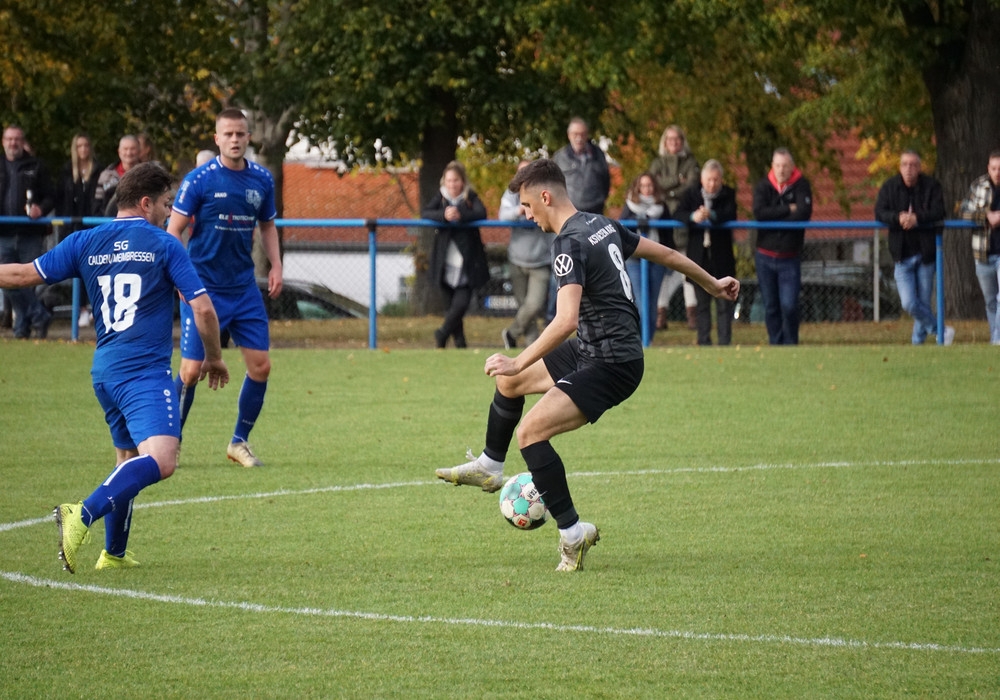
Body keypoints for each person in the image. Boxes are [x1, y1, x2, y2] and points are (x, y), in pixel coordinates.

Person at [434, 159, 739, 572]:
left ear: (545, 197)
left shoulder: (568, 243)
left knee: (530, 432)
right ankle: (490, 466)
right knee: (511, 385)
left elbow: (565, 320)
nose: (526, 215)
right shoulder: (601, 224)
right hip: (596, 348)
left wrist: (518, 359)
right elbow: (665, 253)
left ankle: (573, 536)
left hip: (612, 362)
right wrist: (712, 282)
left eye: (527, 205)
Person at [0, 162, 229, 573]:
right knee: (163, 459)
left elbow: (22, 274)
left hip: (105, 372)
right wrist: (213, 357)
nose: (169, 213)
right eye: (166, 204)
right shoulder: (164, 244)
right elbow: (204, 309)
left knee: (127, 461)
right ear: (145, 203)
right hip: (143, 373)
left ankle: (114, 554)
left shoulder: (85, 240)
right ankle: (82, 513)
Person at [167, 108, 283, 467]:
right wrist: (181, 277)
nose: (235, 139)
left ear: (249, 138)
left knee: (261, 366)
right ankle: (171, 441)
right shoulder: (198, 180)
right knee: (190, 371)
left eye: (240, 134)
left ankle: (238, 442)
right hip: (203, 289)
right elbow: (173, 231)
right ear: (217, 139)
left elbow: (267, 226)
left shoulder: (261, 179)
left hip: (243, 289)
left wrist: (277, 265)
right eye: (228, 134)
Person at [875, 150, 953, 345]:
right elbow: (880, 212)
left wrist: (917, 219)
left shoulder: (931, 186)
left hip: (925, 253)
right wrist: (898, 218)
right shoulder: (890, 187)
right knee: (909, 303)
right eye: (905, 164)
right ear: (899, 167)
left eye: (913, 165)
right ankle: (940, 331)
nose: (909, 169)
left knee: (923, 302)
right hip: (901, 255)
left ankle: (918, 343)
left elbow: (939, 211)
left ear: (919, 167)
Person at [423, 160, 489, 348]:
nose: (452, 185)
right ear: (444, 181)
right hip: (444, 262)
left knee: (460, 304)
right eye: (449, 181)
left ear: (463, 181)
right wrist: (444, 215)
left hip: (467, 262)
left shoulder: (469, 196)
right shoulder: (441, 197)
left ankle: (442, 333)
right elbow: (426, 213)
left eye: (456, 180)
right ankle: (460, 343)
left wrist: (460, 214)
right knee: (451, 307)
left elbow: (481, 213)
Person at [751, 147, 813, 345]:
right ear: (772, 166)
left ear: (792, 167)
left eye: (785, 166)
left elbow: (803, 213)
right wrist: (787, 209)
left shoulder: (801, 185)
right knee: (771, 306)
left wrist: (775, 216)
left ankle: (790, 343)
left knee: (789, 305)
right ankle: (775, 344)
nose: (781, 170)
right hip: (765, 255)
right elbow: (760, 213)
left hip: (789, 256)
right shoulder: (763, 186)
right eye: (777, 165)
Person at [675, 160, 738, 345]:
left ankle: (724, 343)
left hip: (721, 258)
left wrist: (712, 215)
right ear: (702, 179)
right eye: (709, 179)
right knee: (702, 305)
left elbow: (730, 214)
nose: (712, 183)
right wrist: (693, 217)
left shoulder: (728, 194)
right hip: (698, 258)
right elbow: (677, 214)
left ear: (721, 180)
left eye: (716, 180)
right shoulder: (691, 193)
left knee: (724, 304)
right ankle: (704, 342)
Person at [1, 124, 54, 339]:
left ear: (22, 142)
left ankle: (21, 328)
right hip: (3, 234)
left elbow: (51, 196)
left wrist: (41, 209)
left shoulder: (36, 166)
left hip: (30, 234)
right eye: (9, 139)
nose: (13, 143)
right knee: (6, 281)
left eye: (17, 139)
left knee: (28, 280)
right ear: (3, 142)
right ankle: (39, 315)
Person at [649, 125, 701, 330]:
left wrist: (667, 189)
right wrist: (677, 183)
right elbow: (652, 185)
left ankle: (692, 315)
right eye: (670, 139)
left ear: (682, 141)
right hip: (662, 224)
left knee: (688, 271)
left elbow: (692, 185)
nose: (674, 143)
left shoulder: (691, 162)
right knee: (662, 271)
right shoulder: (657, 163)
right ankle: (660, 314)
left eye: (677, 139)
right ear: (665, 142)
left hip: (684, 225)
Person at [499, 159, 551, 349]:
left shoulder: (545, 192)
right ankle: (533, 347)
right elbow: (502, 215)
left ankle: (511, 333)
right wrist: (519, 210)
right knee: (524, 307)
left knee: (534, 305)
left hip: (541, 259)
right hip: (517, 258)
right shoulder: (512, 193)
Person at [57, 133, 103, 326]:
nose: (83, 149)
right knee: (78, 269)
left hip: (93, 224)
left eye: (86, 145)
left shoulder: (98, 170)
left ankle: (97, 307)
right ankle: (81, 308)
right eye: (79, 146)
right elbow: (61, 199)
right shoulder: (67, 171)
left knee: (96, 267)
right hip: (73, 225)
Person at [620, 172, 671, 341]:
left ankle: (647, 342)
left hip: (657, 260)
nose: (646, 189)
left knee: (652, 305)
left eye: (649, 185)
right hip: (635, 260)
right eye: (643, 185)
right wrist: (639, 221)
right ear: (637, 187)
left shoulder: (661, 206)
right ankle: (637, 342)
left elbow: (668, 235)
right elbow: (622, 230)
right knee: (641, 305)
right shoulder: (630, 206)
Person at [958, 150, 1000, 345]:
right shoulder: (979, 186)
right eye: (994, 168)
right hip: (983, 253)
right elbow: (964, 211)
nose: (997, 172)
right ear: (988, 169)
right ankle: (994, 338)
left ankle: (997, 340)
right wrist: (986, 216)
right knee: (990, 301)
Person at [552, 117, 611, 215]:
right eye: (575, 134)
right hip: (569, 212)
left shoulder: (598, 154)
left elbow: (606, 180)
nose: (579, 138)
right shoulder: (560, 157)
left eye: (582, 134)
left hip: (595, 211)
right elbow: (553, 183)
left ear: (587, 135)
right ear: (569, 135)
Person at [95, 134, 140, 217]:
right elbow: (97, 205)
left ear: (139, 151)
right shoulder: (106, 175)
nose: (129, 153)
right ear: (119, 152)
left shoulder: (148, 175)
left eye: (132, 149)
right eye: (125, 149)